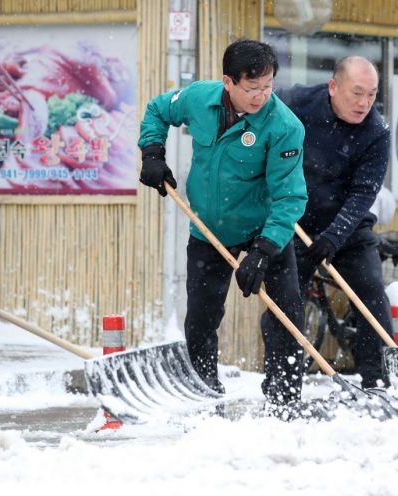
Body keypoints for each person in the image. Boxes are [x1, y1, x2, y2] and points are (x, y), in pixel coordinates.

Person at [137, 39, 308, 409]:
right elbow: (156, 110)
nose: (261, 96)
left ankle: (285, 398)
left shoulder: (284, 127)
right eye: (252, 88)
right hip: (209, 229)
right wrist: (152, 152)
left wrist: (264, 250)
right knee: (201, 316)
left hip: (265, 231)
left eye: (268, 86)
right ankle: (203, 390)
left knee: (287, 313)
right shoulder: (200, 99)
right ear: (228, 82)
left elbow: (290, 197)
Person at [276, 56, 392, 388]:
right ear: (333, 87)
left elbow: (363, 194)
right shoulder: (298, 102)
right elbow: (255, 107)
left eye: (371, 94)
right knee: (284, 303)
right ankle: (283, 386)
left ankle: (377, 382)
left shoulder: (376, 132)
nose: (364, 103)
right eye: (357, 93)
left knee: (370, 292)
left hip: (348, 228)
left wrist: (333, 237)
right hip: (295, 221)